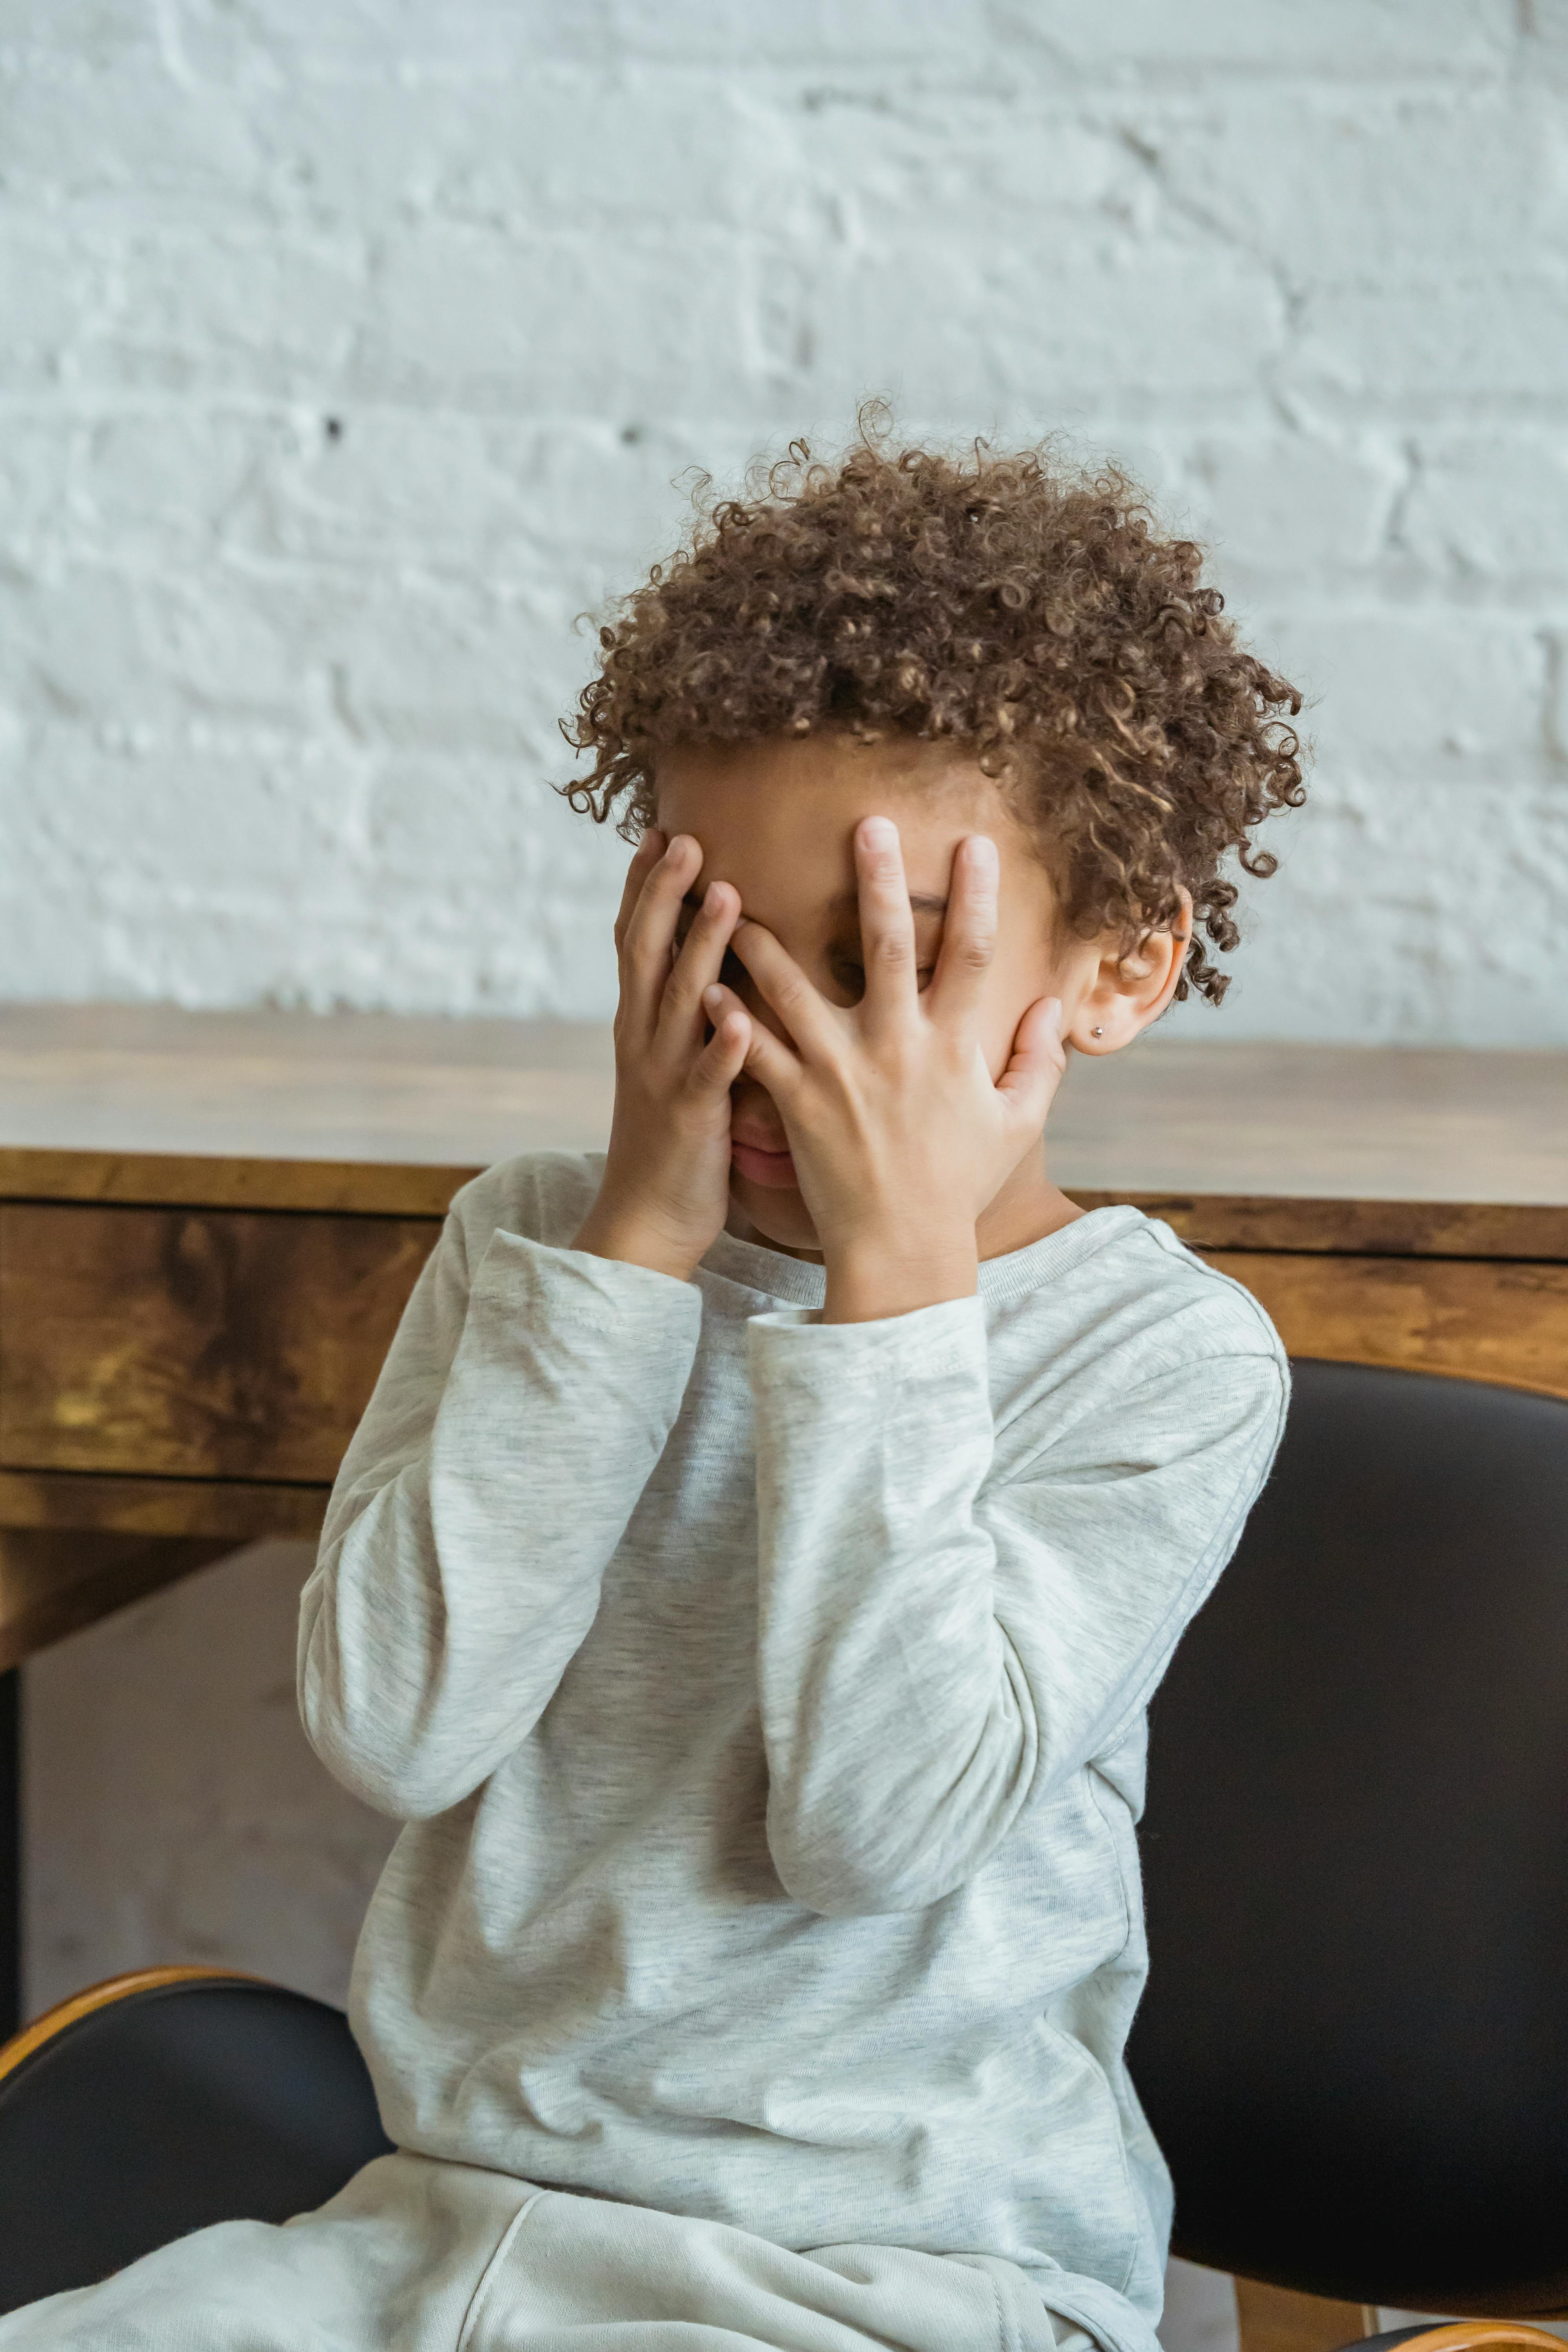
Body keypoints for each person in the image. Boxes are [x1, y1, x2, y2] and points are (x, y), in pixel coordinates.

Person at [0, 425, 1305, 2351]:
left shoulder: (1161, 1360)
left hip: (899, 2276)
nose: (781, 1047)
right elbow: (400, 1731)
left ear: (1115, 968)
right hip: (442, 2232)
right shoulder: (543, 1253)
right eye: (722, 954)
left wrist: (894, 1288)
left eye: (880, 963)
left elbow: (877, 1827)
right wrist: (623, 1254)